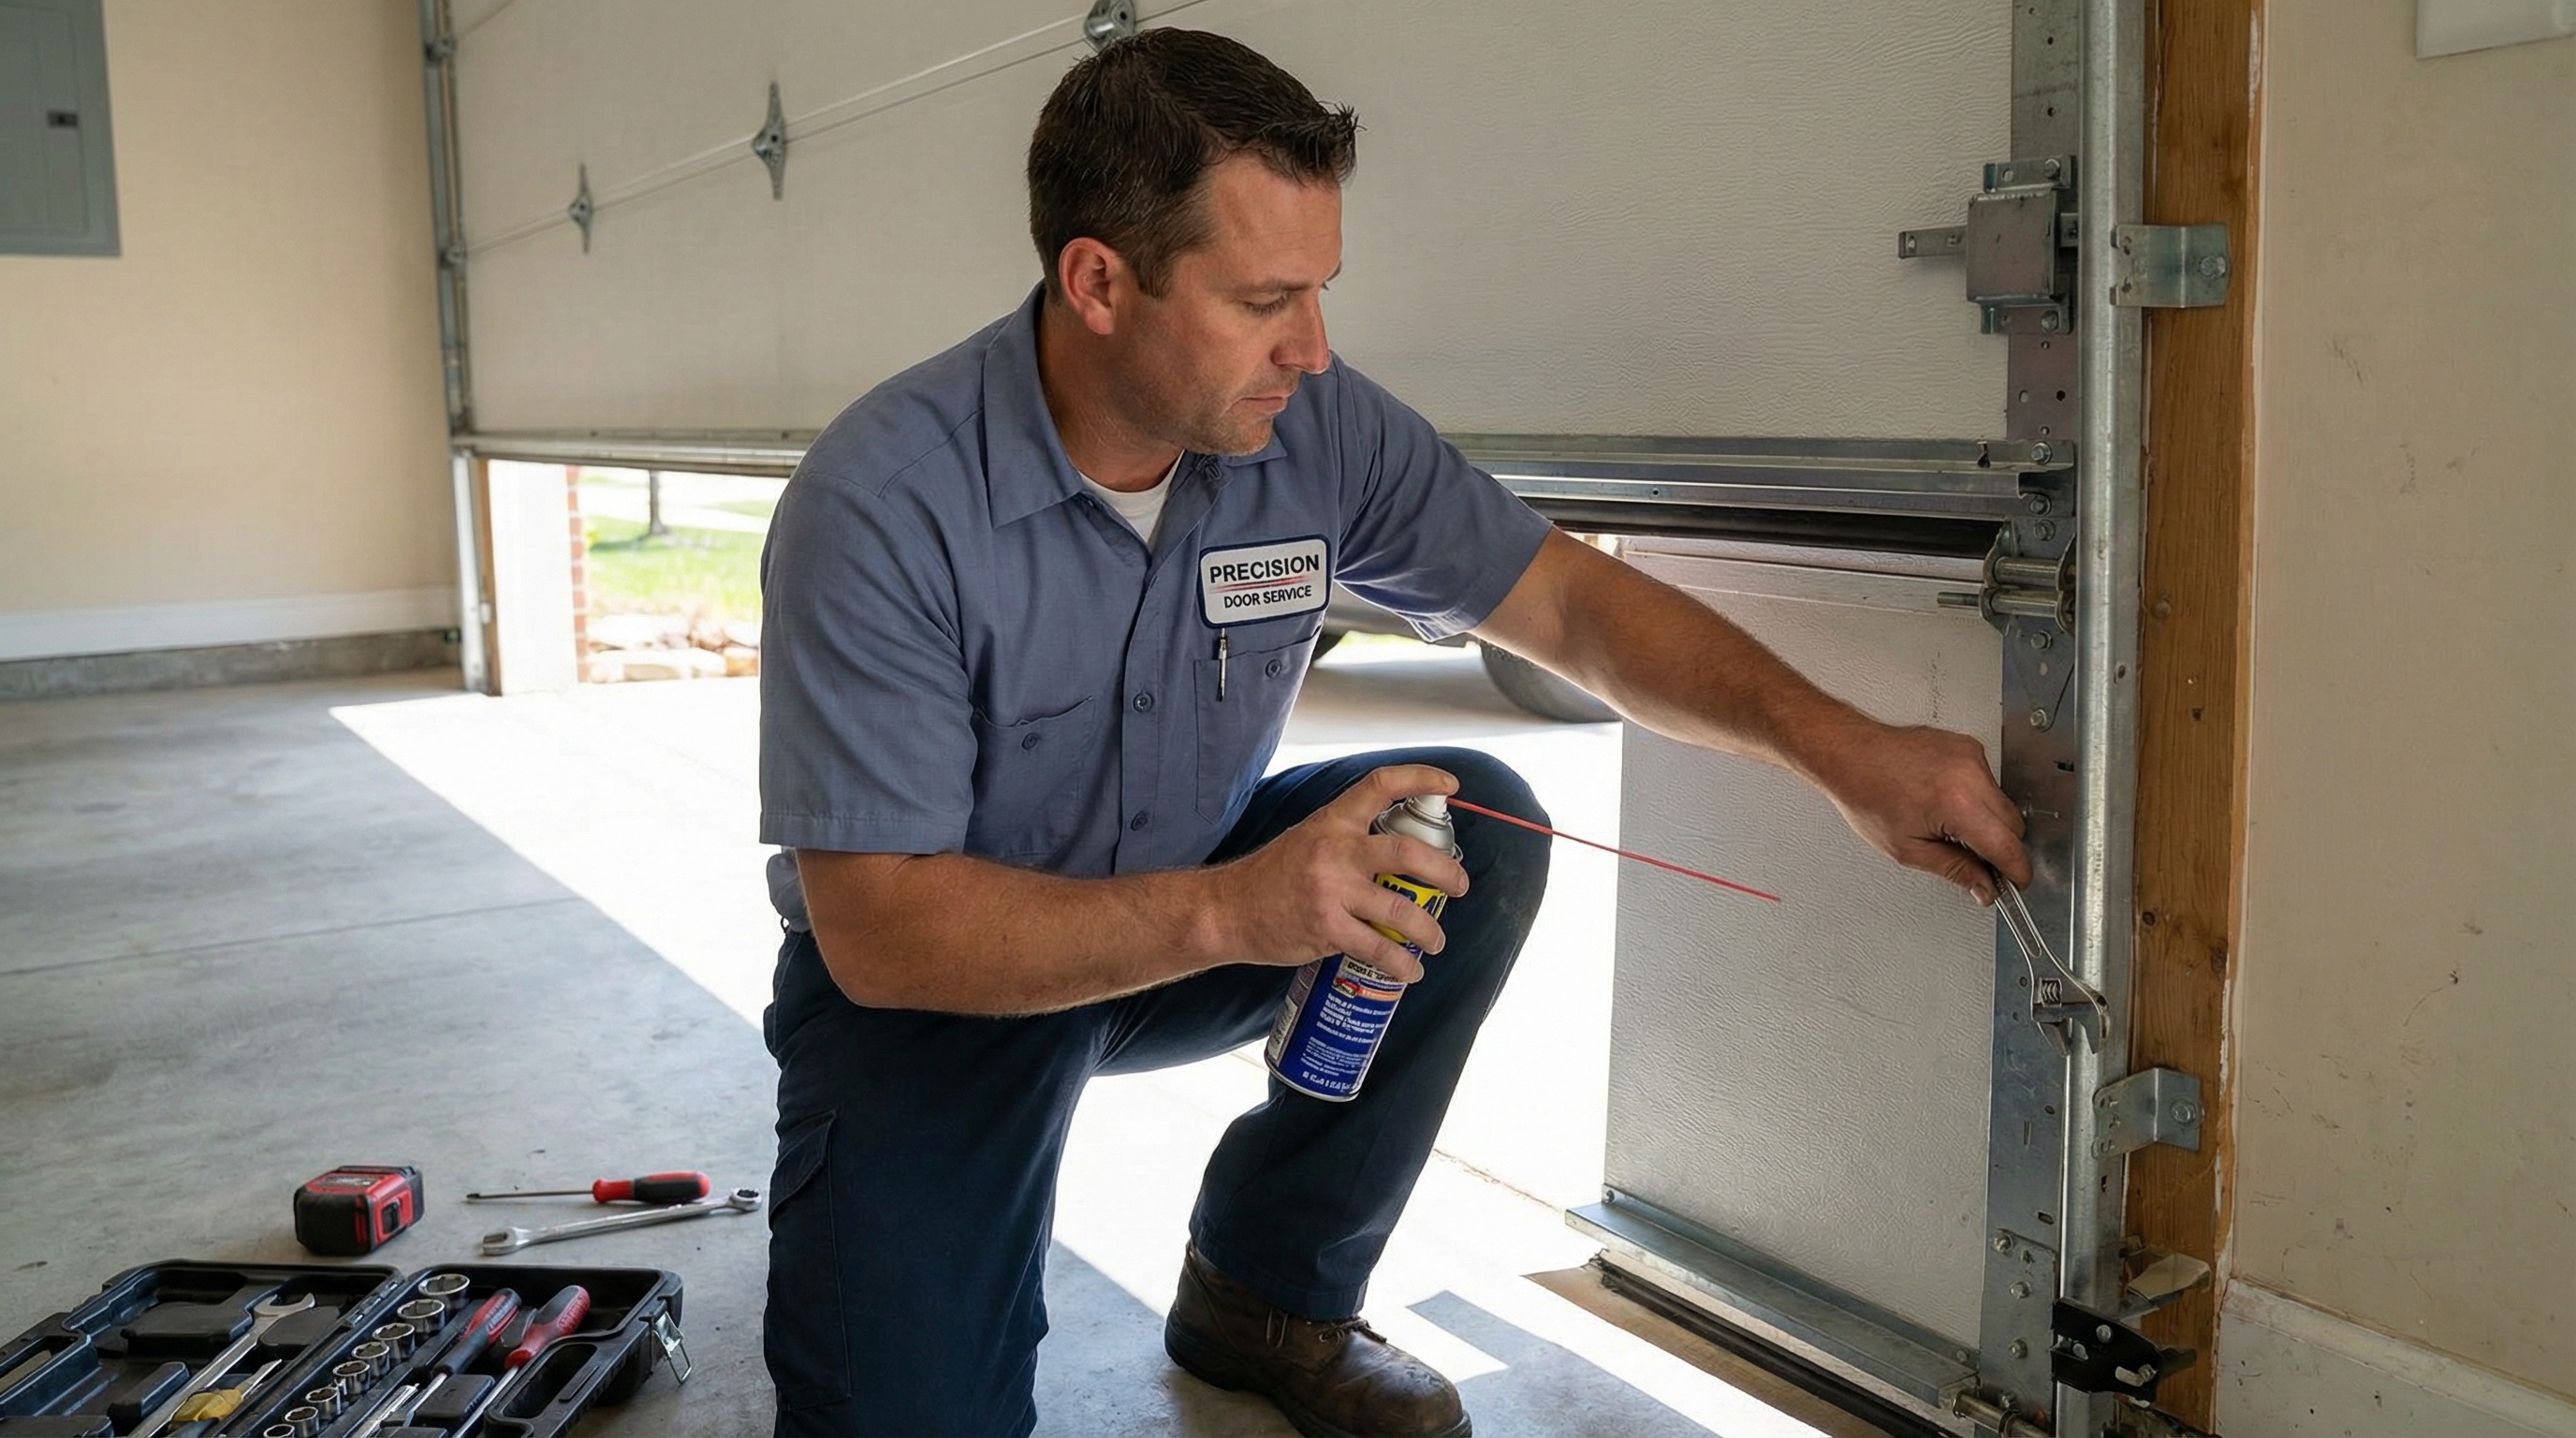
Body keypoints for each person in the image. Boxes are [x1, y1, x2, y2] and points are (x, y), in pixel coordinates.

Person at [756, 27, 2030, 1438]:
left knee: (1469, 819)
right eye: (1265, 300)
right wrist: (1230, 912)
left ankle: (1267, 1294)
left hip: (1195, 907)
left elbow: (1575, 605)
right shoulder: (884, 502)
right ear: (1100, 281)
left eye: (1322, 292)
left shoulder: (1316, 431)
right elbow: (878, 929)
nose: (1312, 348)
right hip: (947, 984)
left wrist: (1841, 751)